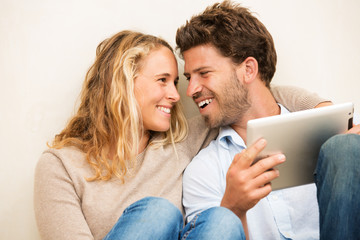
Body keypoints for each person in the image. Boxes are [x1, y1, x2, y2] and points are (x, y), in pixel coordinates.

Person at [34, 30, 328, 240]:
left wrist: (322, 108)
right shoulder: (61, 166)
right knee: (158, 212)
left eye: (176, 82)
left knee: (221, 219)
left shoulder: (178, 144)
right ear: (122, 83)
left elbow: (251, 96)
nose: (177, 95)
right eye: (163, 81)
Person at [176, 1, 360, 240]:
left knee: (345, 149)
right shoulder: (204, 171)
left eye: (204, 73)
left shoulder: (339, 130)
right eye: (190, 77)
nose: (190, 90)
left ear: (249, 70)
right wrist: (233, 208)